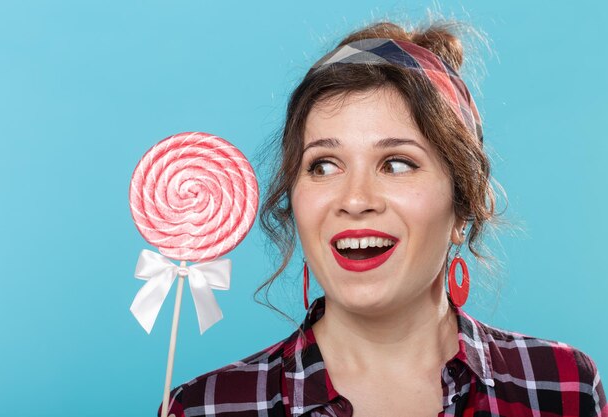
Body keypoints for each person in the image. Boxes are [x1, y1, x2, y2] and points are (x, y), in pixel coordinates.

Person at [158, 21, 607, 417]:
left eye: (396, 163)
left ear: (462, 206)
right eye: (324, 165)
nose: (354, 200)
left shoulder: (563, 387)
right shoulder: (207, 407)